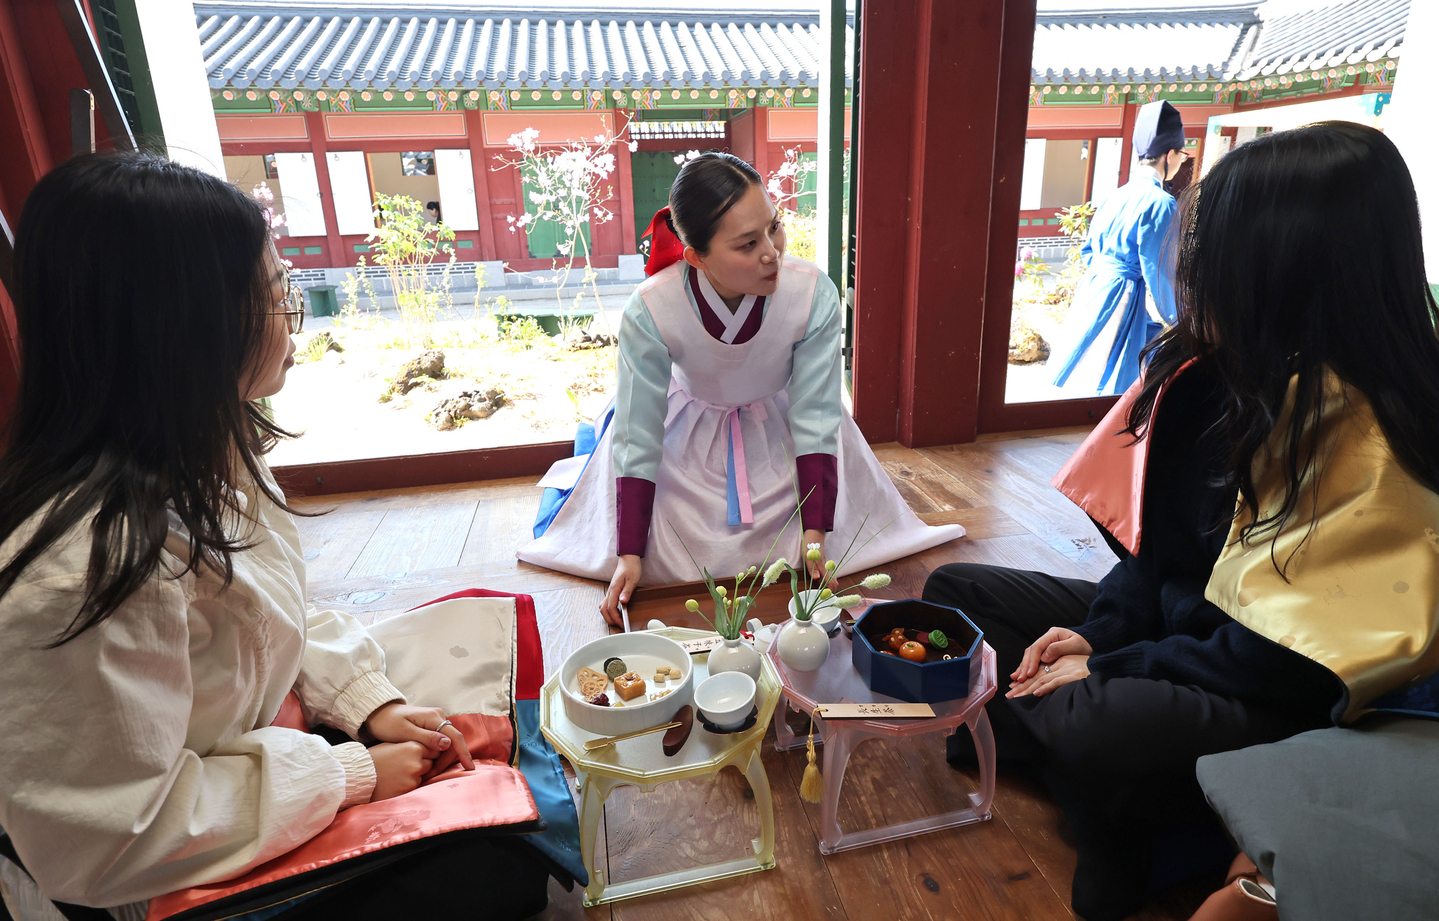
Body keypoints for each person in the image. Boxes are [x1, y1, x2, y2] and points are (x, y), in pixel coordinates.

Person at [0, 153, 554, 919]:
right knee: (492, 872)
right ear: (185, 327)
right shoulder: (80, 571)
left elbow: (268, 622)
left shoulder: (206, 449)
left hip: (247, 760)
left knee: (484, 723)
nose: (293, 311)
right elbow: (111, 839)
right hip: (152, 875)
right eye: (272, 294)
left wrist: (368, 703)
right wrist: (351, 774)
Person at [925, 121, 1439, 920]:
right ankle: (1133, 796)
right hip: (1175, 638)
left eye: (1213, 257)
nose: (1190, 274)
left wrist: (1114, 668)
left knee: (1094, 720)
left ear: (1291, 271)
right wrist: (1099, 636)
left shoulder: (1369, 434)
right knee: (959, 592)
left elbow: (1285, 661)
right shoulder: (1209, 373)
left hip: (1261, 687)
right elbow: (1148, 557)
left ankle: (1134, 803)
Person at [518, 152, 963, 623]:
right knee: (667, 553)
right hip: (688, 436)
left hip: (787, 431)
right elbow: (638, 432)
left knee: (806, 549)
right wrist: (628, 553)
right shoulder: (651, 307)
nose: (772, 252)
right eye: (747, 244)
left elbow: (814, 416)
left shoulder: (811, 292)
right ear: (696, 256)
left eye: (774, 227)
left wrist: (814, 533)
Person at [1050, 100, 1188, 395]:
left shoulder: (1115, 196)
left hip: (1093, 289)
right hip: (1121, 297)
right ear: (1170, 154)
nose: (1181, 161)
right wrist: (1182, 319)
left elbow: (1089, 252)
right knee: (1109, 383)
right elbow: (1159, 269)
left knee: (1077, 374)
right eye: (1183, 155)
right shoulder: (1161, 202)